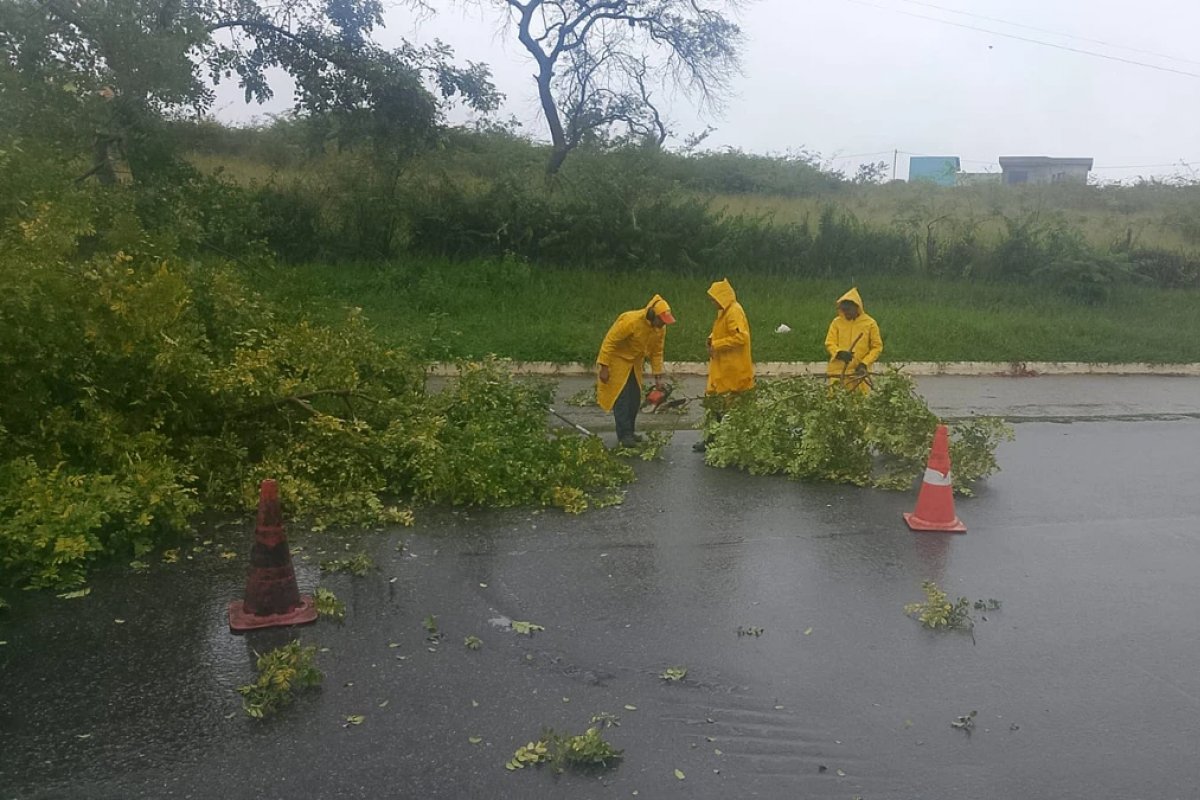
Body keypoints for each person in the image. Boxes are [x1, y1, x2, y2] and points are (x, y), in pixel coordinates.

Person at [596, 294, 676, 447]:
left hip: (634, 363)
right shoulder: (630, 321)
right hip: (617, 360)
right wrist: (604, 367)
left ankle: (630, 432)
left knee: (634, 398)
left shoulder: (660, 329)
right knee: (622, 398)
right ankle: (624, 435)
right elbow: (610, 341)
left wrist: (658, 377)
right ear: (652, 315)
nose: (662, 325)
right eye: (661, 321)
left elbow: (657, 352)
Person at [695, 278, 754, 452]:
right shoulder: (725, 312)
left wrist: (717, 344)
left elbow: (741, 337)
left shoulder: (734, 311)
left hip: (733, 370)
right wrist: (711, 338)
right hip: (723, 369)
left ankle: (720, 439)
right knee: (715, 402)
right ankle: (712, 439)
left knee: (728, 405)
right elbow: (721, 331)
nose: (712, 302)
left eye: (714, 299)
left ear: (722, 297)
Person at [825, 287, 883, 392]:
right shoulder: (836, 323)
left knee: (859, 404)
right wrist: (839, 353)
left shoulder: (870, 323)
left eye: (848, 310)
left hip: (859, 374)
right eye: (843, 310)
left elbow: (877, 347)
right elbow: (830, 342)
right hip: (838, 374)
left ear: (857, 307)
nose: (846, 313)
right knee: (836, 403)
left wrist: (864, 363)